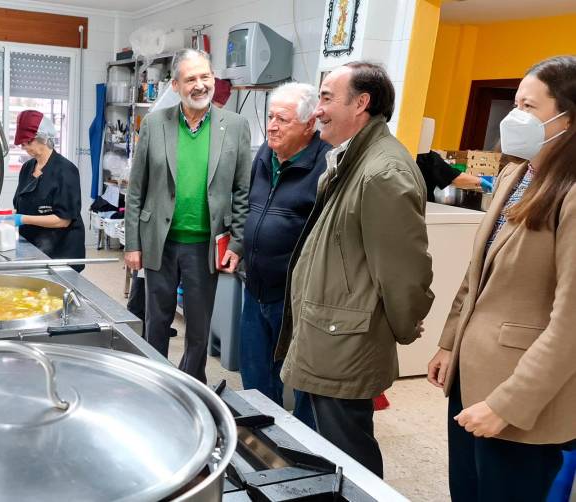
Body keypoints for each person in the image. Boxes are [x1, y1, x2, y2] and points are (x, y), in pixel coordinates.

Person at [426, 55, 576, 501]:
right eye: (515, 104)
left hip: (521, 398)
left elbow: (569, 324)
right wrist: (450, 340)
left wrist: (506, 404)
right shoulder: (517, 172)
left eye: (529, 108)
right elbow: (478, 272)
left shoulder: (570, 192)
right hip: (473, 379)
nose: (515, 118)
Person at [276, 62, 434, 477]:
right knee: (326, 444)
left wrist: (404, 325)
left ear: (361, 103)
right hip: (329, 329)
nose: (317, 110)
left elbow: (404, 272)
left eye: (326, 98)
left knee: (350, 452)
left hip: (346, 339)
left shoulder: (383, 171)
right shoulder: (354, 158)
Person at [125, 48, 251, 383]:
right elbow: (136, 190)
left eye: (205, 76)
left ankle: (191, 385)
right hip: (159, 242)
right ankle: (156, 382)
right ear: (177, 85)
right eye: (191, 78)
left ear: (213, 79)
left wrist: (236, 245)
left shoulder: (235, 126)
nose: (199, 85)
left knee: (198, 326)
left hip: (204, 245)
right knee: (156, 320)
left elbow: (242, 191)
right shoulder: (154, 123)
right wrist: (132, 244)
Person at [239, 82, 328, 429]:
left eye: (284, 119)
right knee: (256, 372)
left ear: (309, 125)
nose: (272, 126)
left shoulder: (325, 166)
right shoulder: (265, 154)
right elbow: (251, 205)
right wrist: (237, 248)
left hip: (296, 297)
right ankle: (262, 442)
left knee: (303, 381)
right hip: (255, 284)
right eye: (271, 117)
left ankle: (305, 452)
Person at [10, 110, 86, 272]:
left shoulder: (66, 171)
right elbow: (20, 203)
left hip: (62, 250)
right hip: (34, 246)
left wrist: (22, 219)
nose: (24, 147)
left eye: (28, 142)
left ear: (43, 139)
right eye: (22, 144)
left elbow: (63, 220)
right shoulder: (27, 168)